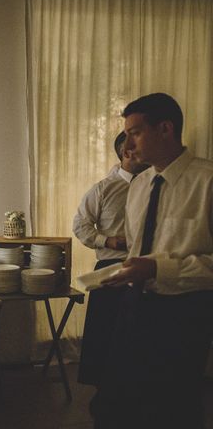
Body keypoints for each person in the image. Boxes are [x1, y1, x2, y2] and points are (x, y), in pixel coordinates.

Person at [94, 93, 213, 429]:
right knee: (126, 396)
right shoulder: (141, 186)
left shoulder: (208, 182)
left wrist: (160, 269)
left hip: (185, 310)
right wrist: (123, 272)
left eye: (135, 133)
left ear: (166, 129)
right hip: (135, 303)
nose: (127, 145)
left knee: (175, 404)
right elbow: (139, 248)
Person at [73, 131, 148, 399]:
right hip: (111, 267)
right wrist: (108, 241)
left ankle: (135, 393)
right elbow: (80, 225)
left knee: (139, 336)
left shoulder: (156, 185)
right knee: (104, 334)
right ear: (126, 153)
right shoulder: (103, 188)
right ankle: (102, 394)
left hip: (148, 269)